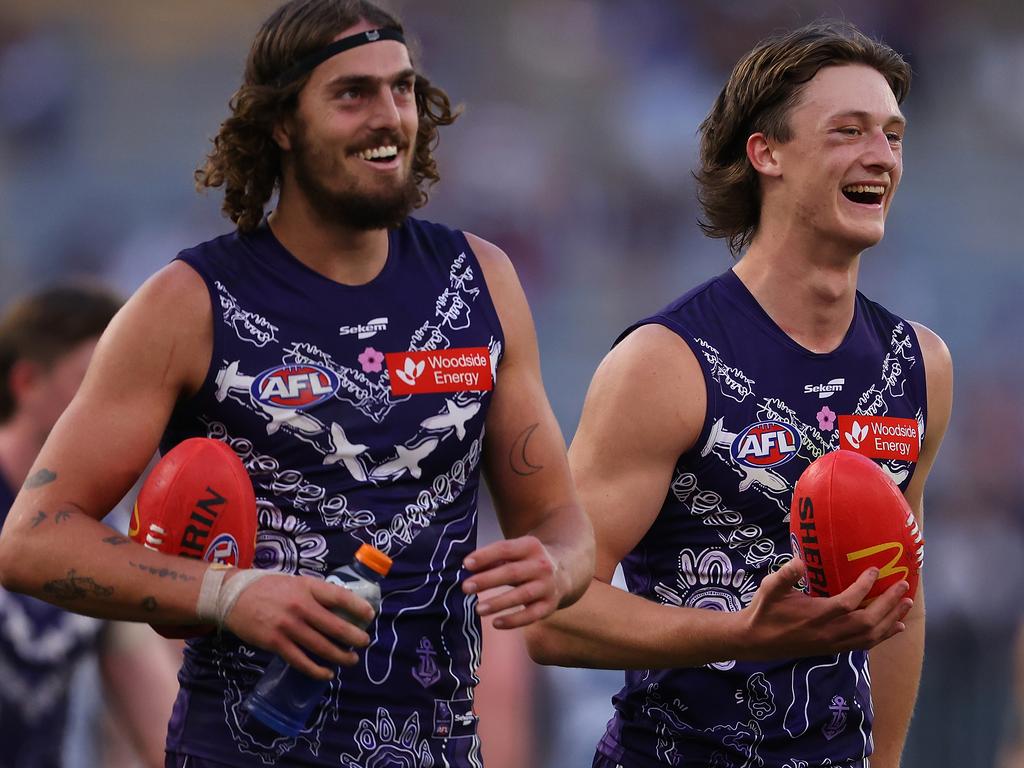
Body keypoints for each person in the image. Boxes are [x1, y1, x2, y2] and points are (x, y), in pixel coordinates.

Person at [0, 1, 593, 767]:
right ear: (281, 122)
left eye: (403, 90)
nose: (390, 118)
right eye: (353, 94)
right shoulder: (187, 302)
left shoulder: (482, 281)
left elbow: (562, 526)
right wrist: (229, 595)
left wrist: (557, 567)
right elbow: (32, 540)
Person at [525, 20, 952, 768]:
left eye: (892, 134)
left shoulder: (920, 365)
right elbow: (551, 618)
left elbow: (897, 607)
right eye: (848, 131)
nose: (880, 156)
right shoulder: (665, 362)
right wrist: (742, 635)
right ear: (767, 153)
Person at [0, 285, 180, 768]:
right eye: (94, 377)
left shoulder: (103, 534)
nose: (116, 397)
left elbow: (160, 727)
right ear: (26, 384)